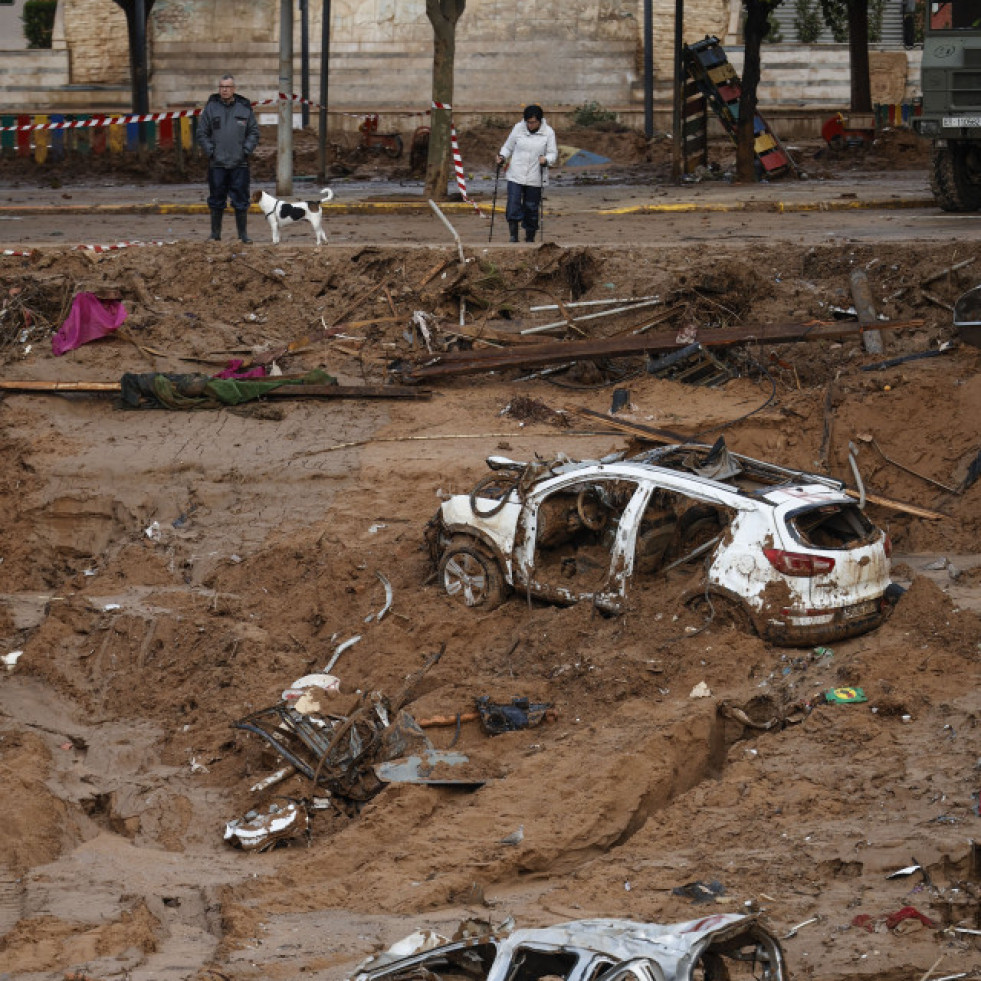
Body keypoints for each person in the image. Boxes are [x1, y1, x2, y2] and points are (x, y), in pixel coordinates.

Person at [196, 73, 260, 243]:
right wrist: (211, 151)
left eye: (227, 87)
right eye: (221, 87)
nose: (224, 90)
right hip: (217, 164)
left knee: (241, 200)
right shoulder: (211, 109)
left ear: (234, 89)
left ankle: (243, 235)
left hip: (239, 164)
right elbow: (202, 133)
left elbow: (254, 132)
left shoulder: (244, 109)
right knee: (216, 199)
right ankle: (215, 234)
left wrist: (245, 150)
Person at [496, 104, 558, 243]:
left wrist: (546, 159)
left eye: (533, 122)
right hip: (516, 174)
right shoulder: (518, 128)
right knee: (513, 204)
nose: (530, 125)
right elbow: (508, 146)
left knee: (531, 207)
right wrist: (502, 156)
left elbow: (553, 153)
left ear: (540, 121)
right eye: (528, 122)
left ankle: (530, 237)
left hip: (535, 176)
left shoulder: (548, 132)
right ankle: (513, 236)